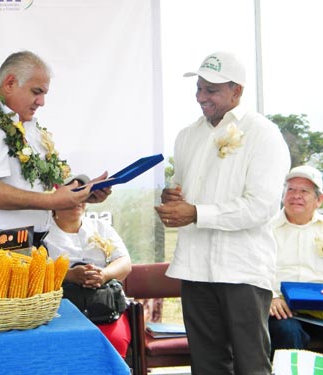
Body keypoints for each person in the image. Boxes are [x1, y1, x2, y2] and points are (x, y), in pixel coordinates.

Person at [155, 51, 290, 375]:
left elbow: (261, 206)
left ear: (237, 91)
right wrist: (172, 198)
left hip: (241, 269)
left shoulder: (263, 134)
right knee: (206, 366)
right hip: (196, 268)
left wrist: (196, 213)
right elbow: (184, 190)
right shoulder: (187, 136)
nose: (201, 97)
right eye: (199, 88)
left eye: (211, 90)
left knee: (251, 365)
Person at [0, 51, 110, 251]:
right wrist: (52, 201)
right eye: (36, 92)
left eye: (44, 94)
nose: (41, 102)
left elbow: (33, 184)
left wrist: (81, 191)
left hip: (30, 244)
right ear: (9, 84)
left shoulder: (28, 127)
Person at [43, 174, 132, 358]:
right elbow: (34, 271)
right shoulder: (42, 232)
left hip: (105, 309)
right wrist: (69, 275)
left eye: (81, 193)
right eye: (71, 193)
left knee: (114, 342)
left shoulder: (101, 227)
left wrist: (104, 274)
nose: (77, 200)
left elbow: (124, 262)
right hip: (60, 314)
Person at [269, 165, 323, 356]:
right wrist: (270, 297)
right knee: (287, 332)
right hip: (280, 310)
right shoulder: (266, 229)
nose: (296, 195)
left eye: (304, 191)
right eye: (290, 189)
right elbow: (252, 270)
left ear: (319, 200)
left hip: (319, 309)